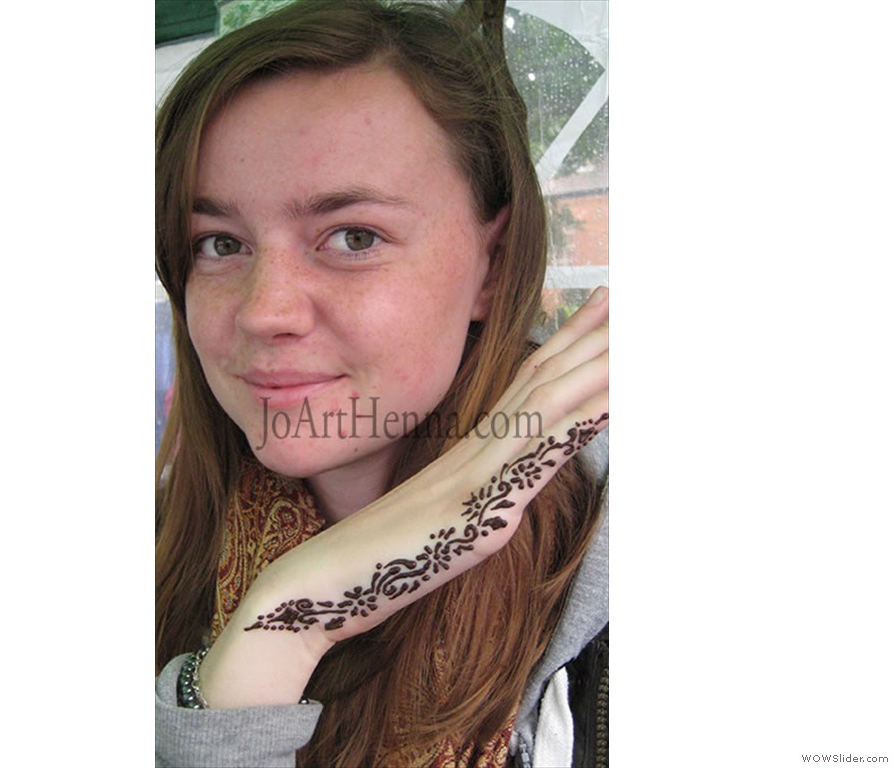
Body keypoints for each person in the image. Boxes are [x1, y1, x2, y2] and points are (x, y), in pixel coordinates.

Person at [154, 1, 610, 766]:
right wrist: (286, 625)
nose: (264, 312)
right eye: (220, 244)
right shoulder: (158, 546)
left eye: (354, 236)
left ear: (492, 266)